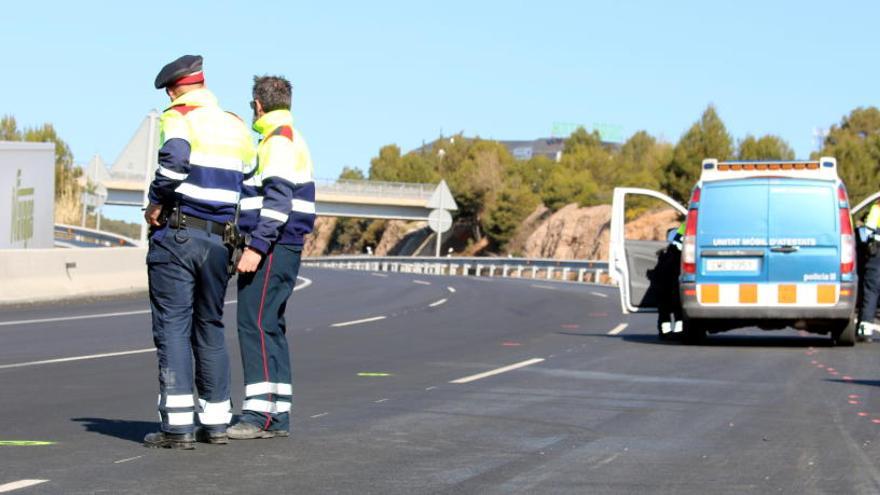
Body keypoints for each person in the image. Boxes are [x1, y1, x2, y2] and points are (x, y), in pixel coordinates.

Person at [143, 55, 255, 449]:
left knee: (173, 326)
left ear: (174, 88)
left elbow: (173, 163)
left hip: (179, 234)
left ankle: (177, 428)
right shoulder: (236, 124)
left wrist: (156, 201)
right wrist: (250, 241)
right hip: (221, 241)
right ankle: (217, 422)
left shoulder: (180, 116)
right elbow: (252, 187)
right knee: (209, 326)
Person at [226, 75, 316, 439]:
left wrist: (255, 247)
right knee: (271, 326)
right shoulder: (290, 138)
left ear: (258, 105)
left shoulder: (276, 142)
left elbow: (277, 201)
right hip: (286, 245)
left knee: (255, 325)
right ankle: (278, 414)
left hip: (273, 246)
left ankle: (258, 415)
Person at [655, 223, 685, 337]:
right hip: (676, 277)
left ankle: (666, 331)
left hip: (667, 280)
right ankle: (677, 330)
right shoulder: (690, 225)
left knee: (665, 307)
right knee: (677, 305)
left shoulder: (666, 255)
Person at [858, 202, 880, 341]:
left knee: (871, 289)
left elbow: (866, 233)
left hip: (878, 253)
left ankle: (865, 330)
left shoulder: (877, 208)